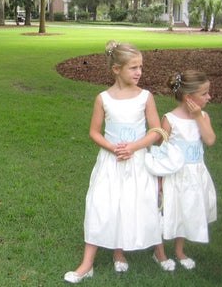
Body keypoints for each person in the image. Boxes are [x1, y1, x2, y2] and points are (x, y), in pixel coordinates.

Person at [64, 40, 167, 284]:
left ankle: (122, 251)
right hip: (110, 163)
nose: (139, 72)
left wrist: (133, 146)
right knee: (101, 205)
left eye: (140, 67)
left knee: (132, 204)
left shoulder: (145, 97)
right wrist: (113, 148)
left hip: (137, 162)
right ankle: (87, 264)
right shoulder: (103, 98)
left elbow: (157, 131)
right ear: (116, 69)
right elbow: (95, 131)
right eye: (133, 67)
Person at [157, 70, 217, 270]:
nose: (209, 97)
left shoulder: (203, 116)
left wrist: (198, 116)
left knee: (186, 210)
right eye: (204, 93)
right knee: (168, 212)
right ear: (188, 97)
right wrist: (159, 180)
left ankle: (179, 250)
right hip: (175, 175)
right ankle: (160, 252)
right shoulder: (170, 119)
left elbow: (209, 140)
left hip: (195, 174)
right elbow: (161, 151)